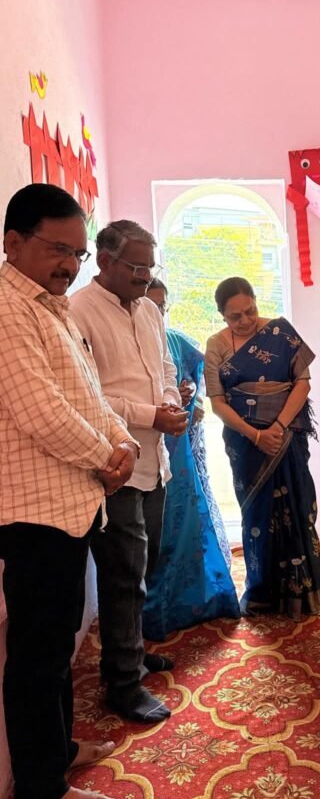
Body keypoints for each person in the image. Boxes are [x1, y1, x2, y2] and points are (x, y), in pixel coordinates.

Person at [0, 184, 140, 799]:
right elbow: (40, 412)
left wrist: (122, 441)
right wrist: (107, 456)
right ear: (13, 242)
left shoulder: (50, 307)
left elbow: (87, 396)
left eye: (77, 254)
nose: (70, 265)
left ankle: (56, 753)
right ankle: (39, 795)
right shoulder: (8, 309)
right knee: (38, 654)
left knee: (57, 645)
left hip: (71, 503)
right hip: (33, 513)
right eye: (58, 250)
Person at [70, 221, 188, 724]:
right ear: (105, 261)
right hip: (113, 466)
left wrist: (171, 403)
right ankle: (122, 683)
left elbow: (165, 368)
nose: (145, 277)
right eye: (137, 268)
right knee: (122, 576)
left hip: (155, 461)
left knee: (144, 566)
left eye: (149, 267)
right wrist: (148, 415)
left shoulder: (149, 310)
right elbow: (86, 397)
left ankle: (132, 657)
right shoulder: (76, 311)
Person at [204, 276, 320, 619]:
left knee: (298, 506)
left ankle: (304, 594)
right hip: (245, 443)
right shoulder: (216, 345)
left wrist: (278, 427)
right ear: (222, 315)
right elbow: (217, 403)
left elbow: (302, 383)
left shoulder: (280, 332)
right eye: (235, 316)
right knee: (257, 514)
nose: (245, 320)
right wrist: (256, 436)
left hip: (287, 435)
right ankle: (263, 594)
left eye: (250, 311)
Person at [142, 279, 240, 637]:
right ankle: (157, 611)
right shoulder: (130, 341)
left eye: (162, 305)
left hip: (182, 450)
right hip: (145, 453)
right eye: (151, 304)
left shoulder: (174, 339)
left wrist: (192, 393)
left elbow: (197, 374)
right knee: (156, 532)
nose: (157, 312)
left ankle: (199, 597)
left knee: (190, 521)